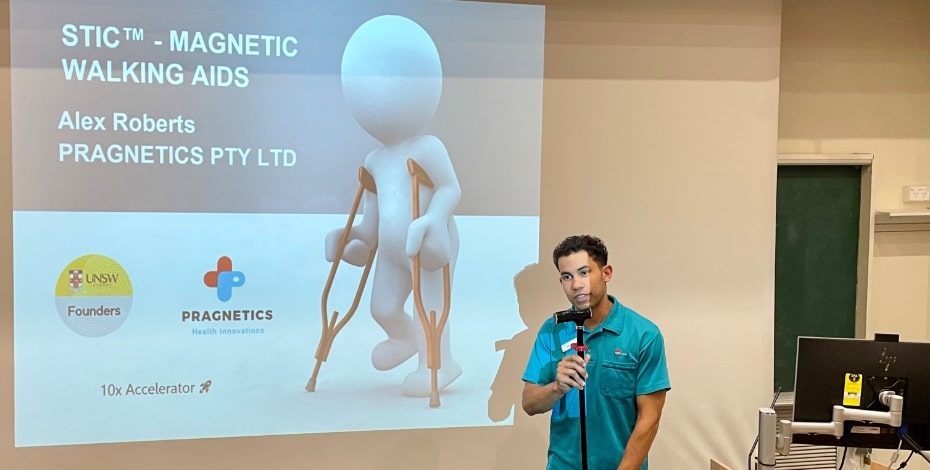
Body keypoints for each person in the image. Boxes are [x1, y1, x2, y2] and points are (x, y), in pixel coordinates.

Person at [522, 234, 670, 470]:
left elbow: (649, 419)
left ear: (606, 273)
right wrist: (557, 387)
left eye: (584, 272)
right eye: (567, 277)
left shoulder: (644, 334)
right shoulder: (552, 330)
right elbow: (529, 403)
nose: (576, 285)